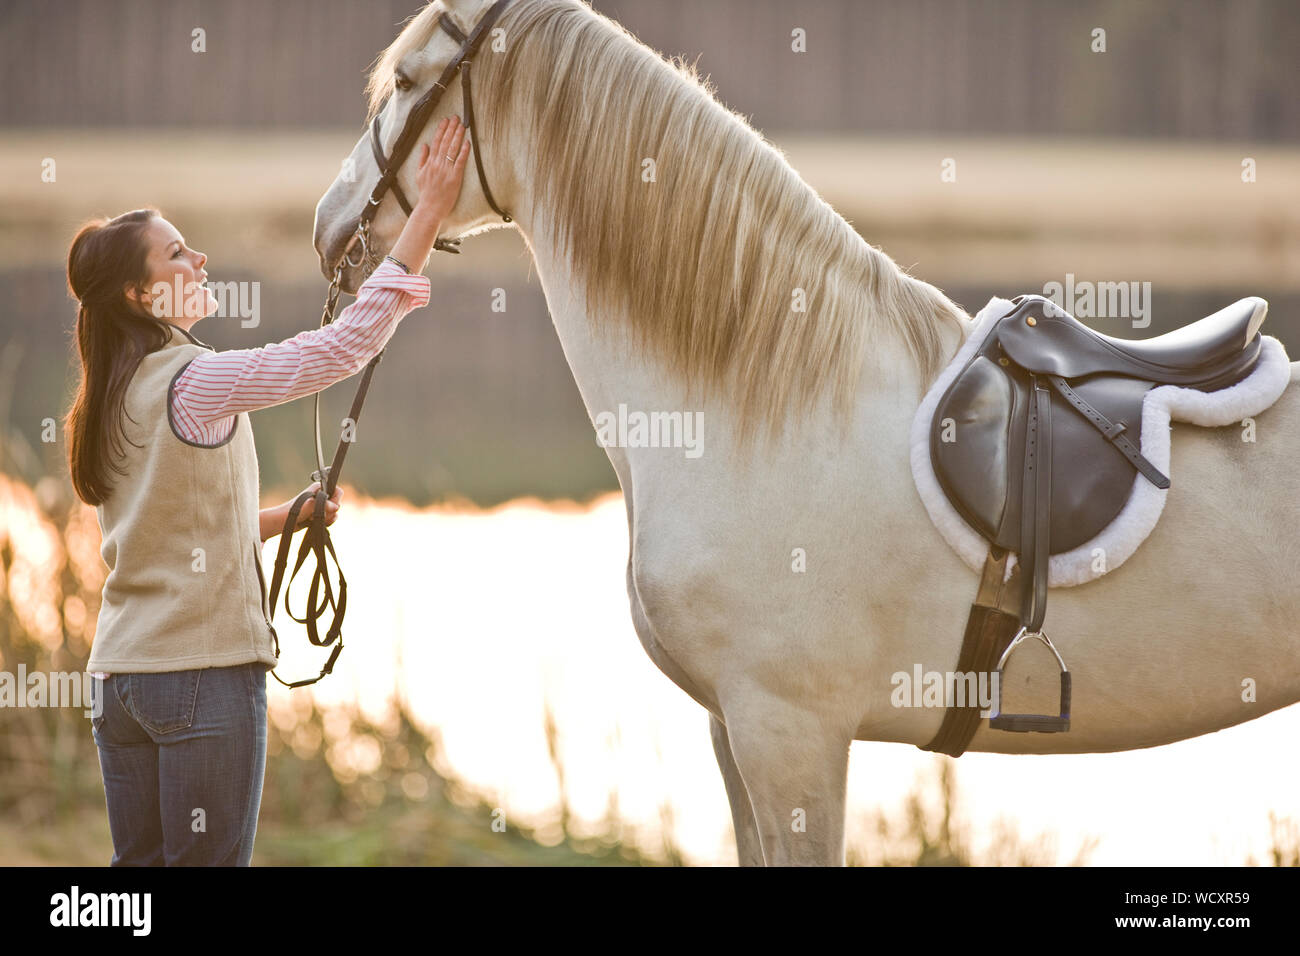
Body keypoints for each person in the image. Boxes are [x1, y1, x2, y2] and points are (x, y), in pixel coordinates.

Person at [62, 116, 473, 866]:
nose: (201, 258)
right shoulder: (197, 381)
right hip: (199, 678)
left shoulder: (106, 399)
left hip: (119, 680)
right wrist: (427, 215)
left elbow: (171, 530)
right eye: (178, 253)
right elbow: (339, 348)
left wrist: (287, 517)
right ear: (141, 293)